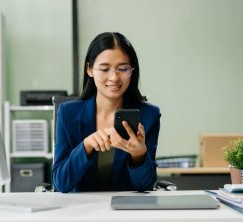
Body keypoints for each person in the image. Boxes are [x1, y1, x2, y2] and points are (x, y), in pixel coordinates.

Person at [52, 32, 161, 192]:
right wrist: (86, 146)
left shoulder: (149, 115)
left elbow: (145, 186)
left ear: (132, 71)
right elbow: (61, 183)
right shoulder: (68, 113)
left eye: (123, 69)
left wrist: (139, 156)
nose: (114, 78)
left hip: (126, 211)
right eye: (104, 69)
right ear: (89, 69)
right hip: (81, 212)